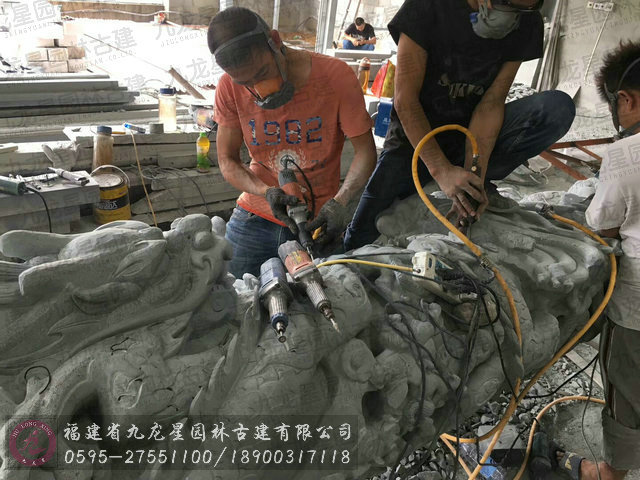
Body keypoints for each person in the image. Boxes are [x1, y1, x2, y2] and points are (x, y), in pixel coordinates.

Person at [344, 0, 576, 251]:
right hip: (415, 140)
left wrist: (475, 175)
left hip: (471, 135)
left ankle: (473, 183)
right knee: (359, 239)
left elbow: (491, 103)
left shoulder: (527, 19)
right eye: (506, 4)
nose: (511, 15)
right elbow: (406, 101)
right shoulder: (427, 7)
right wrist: (440, 170)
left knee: (556, 108)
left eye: (521, 10)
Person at [208, 7, 377, 278]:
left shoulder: (335, 77)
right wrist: (266, 191)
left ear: (275, 41)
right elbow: (227, 160)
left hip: (318, 222)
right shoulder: (228, 86)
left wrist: (340, 203)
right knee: (231, 293)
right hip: (255, 217)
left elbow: (366, 152)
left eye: (263, 72)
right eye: (246, 82)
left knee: (332, 293)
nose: (259, 89)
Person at [553, 40, 640, 480]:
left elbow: (601, 224)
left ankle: (609, 473)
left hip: (637, 310)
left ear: (626, 100)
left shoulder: (627, 153)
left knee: (628, 386)